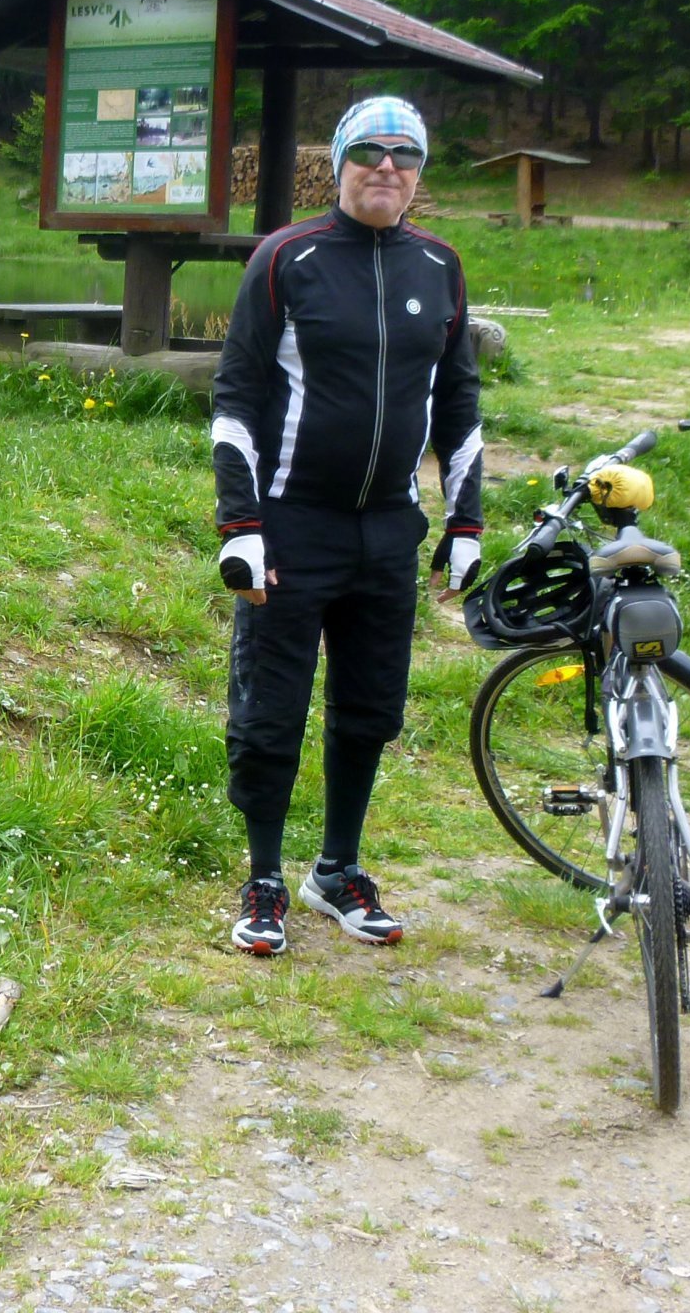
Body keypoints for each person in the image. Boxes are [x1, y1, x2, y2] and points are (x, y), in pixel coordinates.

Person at [209, 95, 484, 955]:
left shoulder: (439, 267)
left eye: (406, 155)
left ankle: (338, 869)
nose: (387, 167)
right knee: (269, 714)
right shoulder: (288, 257)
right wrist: (241, 522)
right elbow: (236, 398)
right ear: (340, 162)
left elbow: (459, 401)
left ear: (419, 174)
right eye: (369, 151)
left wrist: (466, 521)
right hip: (291, 530)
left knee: (370, 711)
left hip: (388, 534)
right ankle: (262, 879)